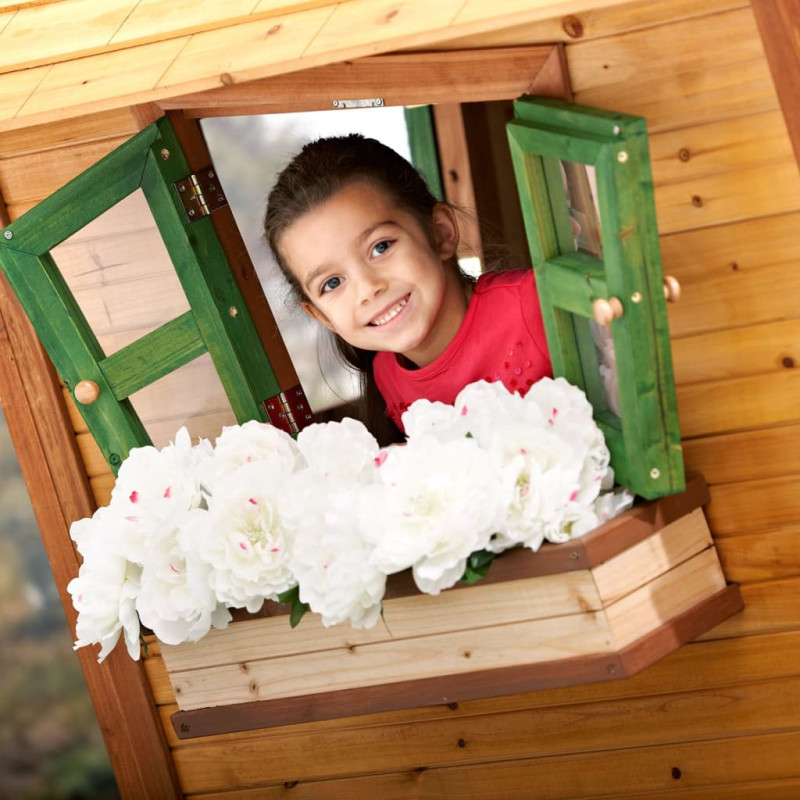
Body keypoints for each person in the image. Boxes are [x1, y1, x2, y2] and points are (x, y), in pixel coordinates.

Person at [263, 133, 552, 445]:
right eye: (333, 283)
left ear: (439, 232)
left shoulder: (538, 304)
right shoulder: (388, 379)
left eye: (381, 247)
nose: (368, 289)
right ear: (321, 316)